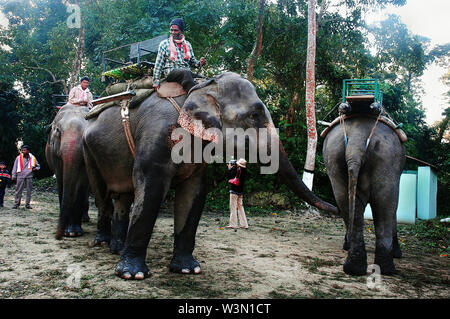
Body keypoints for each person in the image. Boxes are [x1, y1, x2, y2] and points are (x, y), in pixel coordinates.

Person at [152, 18, 206, 90]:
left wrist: (200, 63)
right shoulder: (164, 44)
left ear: (181, 31)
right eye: (171, 30)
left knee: (205, 79)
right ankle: (192, 93)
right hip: (171, 72)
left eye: (176, 30)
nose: (173, 32)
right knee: (186, 72)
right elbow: (158, 64)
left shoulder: (187, 44)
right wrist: (156, 81)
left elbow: (193, 62)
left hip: (187, 72)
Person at [11, 145, 40, 209]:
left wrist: (35, 169)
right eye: (22, 150)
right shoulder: (18, 158)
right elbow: (15, 167)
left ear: (28, 151)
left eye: (25, 150)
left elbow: (38, 166)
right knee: (18, 190)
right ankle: (16, 204)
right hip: (20, 175)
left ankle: (27, 204)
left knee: (29, 191)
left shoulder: (32, 158)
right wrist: (13, 175)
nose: (23, 151)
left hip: (29, 176)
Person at [226, 158, 249, 229]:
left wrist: (229, 168)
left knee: (233, 208)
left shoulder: (236, 170)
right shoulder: (244, 171)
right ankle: (244, 224)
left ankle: (233, 224)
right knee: (240, 208)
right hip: (240, 192)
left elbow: (228, 175)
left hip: (234, 191)